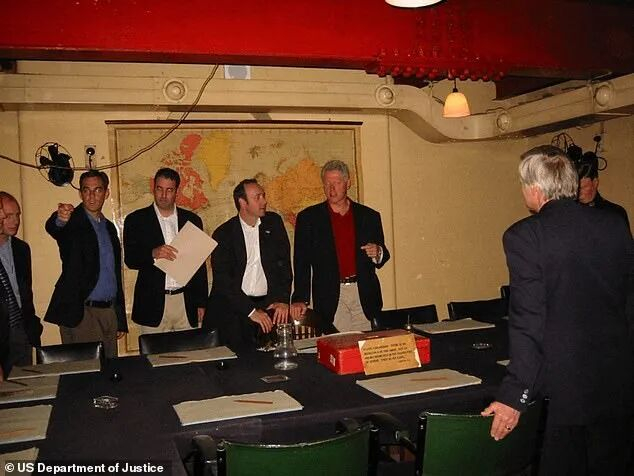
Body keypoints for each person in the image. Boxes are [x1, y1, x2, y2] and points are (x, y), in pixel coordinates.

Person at [482, 145, 633, 475]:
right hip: (617, 380)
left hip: (564, 389)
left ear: (534, 189)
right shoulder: (614, 225)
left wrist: (514, 396)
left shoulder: (525, 235)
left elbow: (528, 322)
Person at [290, 160, 390, 332]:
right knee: (340, 343)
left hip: (363, 294)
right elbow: (301, 262)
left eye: (336, 183)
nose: (331, 189)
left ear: (348, 183)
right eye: (327, 184)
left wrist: (378, 252)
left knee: (365, 344)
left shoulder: (369, 216)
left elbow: (383, 254)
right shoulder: (309, 218)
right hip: (331, 295)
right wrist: (300, 298)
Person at [44, 170, 127, 358]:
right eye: (86, 190)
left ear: (106, 193)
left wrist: (119, 317)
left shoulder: (109, 227)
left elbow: (115, 274)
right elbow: (55, 227)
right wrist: (60, 219)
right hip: (82, 312)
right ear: (80, 193)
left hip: (109, 312)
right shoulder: (73, 221)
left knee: (110, 369)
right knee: (88, 371)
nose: (91, 196)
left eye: (97, 190)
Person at [203, 179, 291, 350]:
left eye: (263, 196)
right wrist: (251, 311)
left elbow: (284, 266)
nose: (264, 201)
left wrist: (282, 299)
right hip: (233, 309)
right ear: (243, 203)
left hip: (267, 306)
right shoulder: (224, 234)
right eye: (257, 197)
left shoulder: (274, 223)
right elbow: (224, 281)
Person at [123, 168, 208, 334]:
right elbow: (130, 259)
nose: (163, 195)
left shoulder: (192, 220)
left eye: (169, 190)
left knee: (190, 350)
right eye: (159, 189)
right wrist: (152, 253)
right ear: (153, 188)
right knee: (153, 350)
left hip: (186, 302)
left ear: (176, 191)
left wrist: (201, 302)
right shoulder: (136, 219)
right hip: (152, 303)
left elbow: (199, 265)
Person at [0, 192, 42, 368]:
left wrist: (32, 326)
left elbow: (25, 292)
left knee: (24, 380)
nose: (15, 221)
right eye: (9, 216)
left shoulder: (22, 249)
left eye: (17, 215)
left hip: (22, 329)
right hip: (2, 330)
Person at [575, 151, 630, 229]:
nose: (578, 191)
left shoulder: (615, 213)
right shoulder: (570, 211)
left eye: (583, 187)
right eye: (576, 187)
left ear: (595, 182)